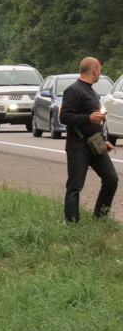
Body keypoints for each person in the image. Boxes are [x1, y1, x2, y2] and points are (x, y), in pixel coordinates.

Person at [59, 57, 118, 222]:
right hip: (77, 145)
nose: (100, 73)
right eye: (100, 69)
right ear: (95, 70)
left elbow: (94, 120)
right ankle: (71, 222)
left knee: (111, 179)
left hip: (94, 144)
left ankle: (100, 217)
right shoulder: (74, 90)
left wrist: (103, 139)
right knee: (75, 186)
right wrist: (88, 119)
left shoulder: (91, 91)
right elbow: (64, 116)